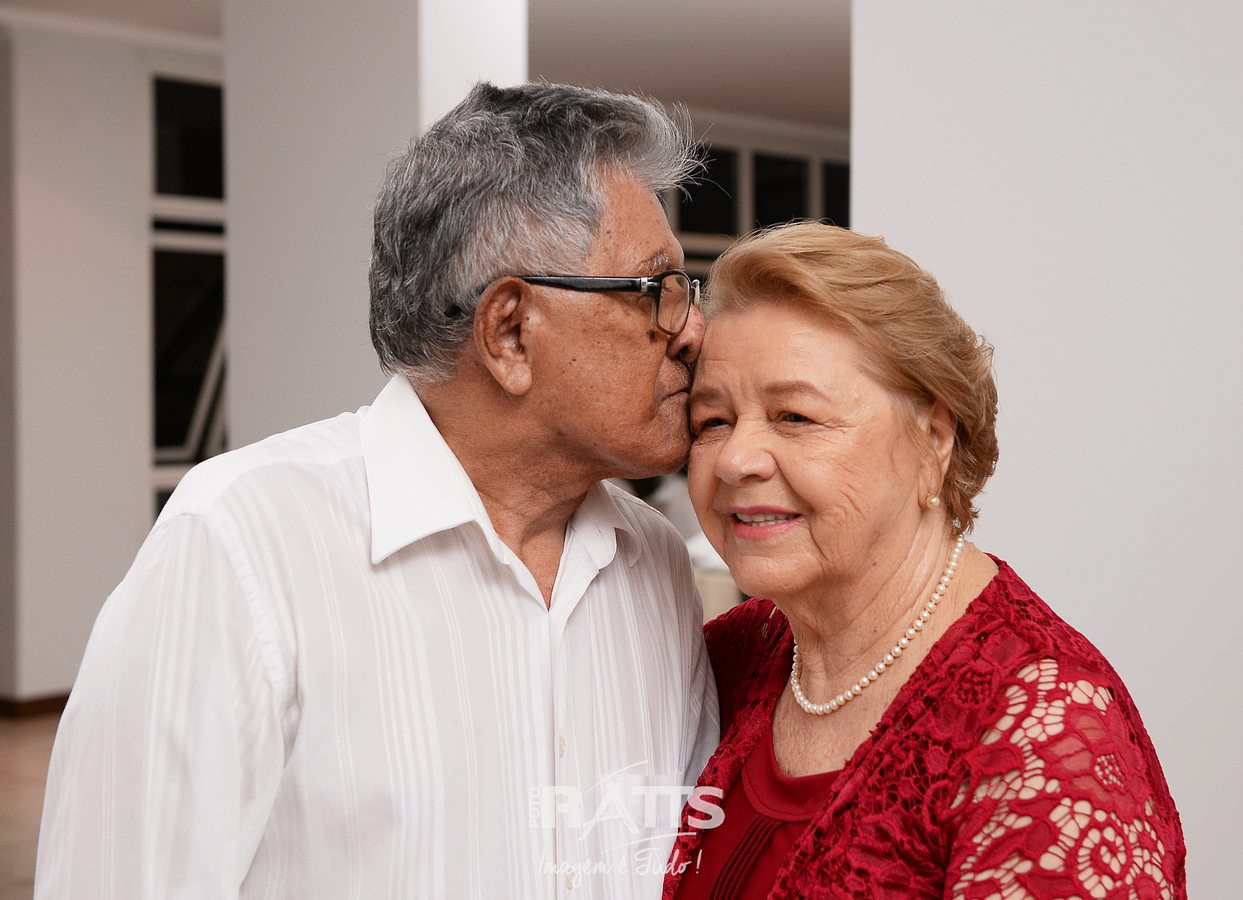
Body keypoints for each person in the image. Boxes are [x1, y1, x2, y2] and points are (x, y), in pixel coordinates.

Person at [36, 82, 718, 898]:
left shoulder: (655, 563)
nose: (692, 332)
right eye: (655, 291)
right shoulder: (240, 547)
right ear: (509, 332)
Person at [665, 223, 1185, 898]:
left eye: (794, 416)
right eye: (712, 422)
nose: (736, 460)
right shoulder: (729, 657)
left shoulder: (1043, 727)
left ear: (933, 438)